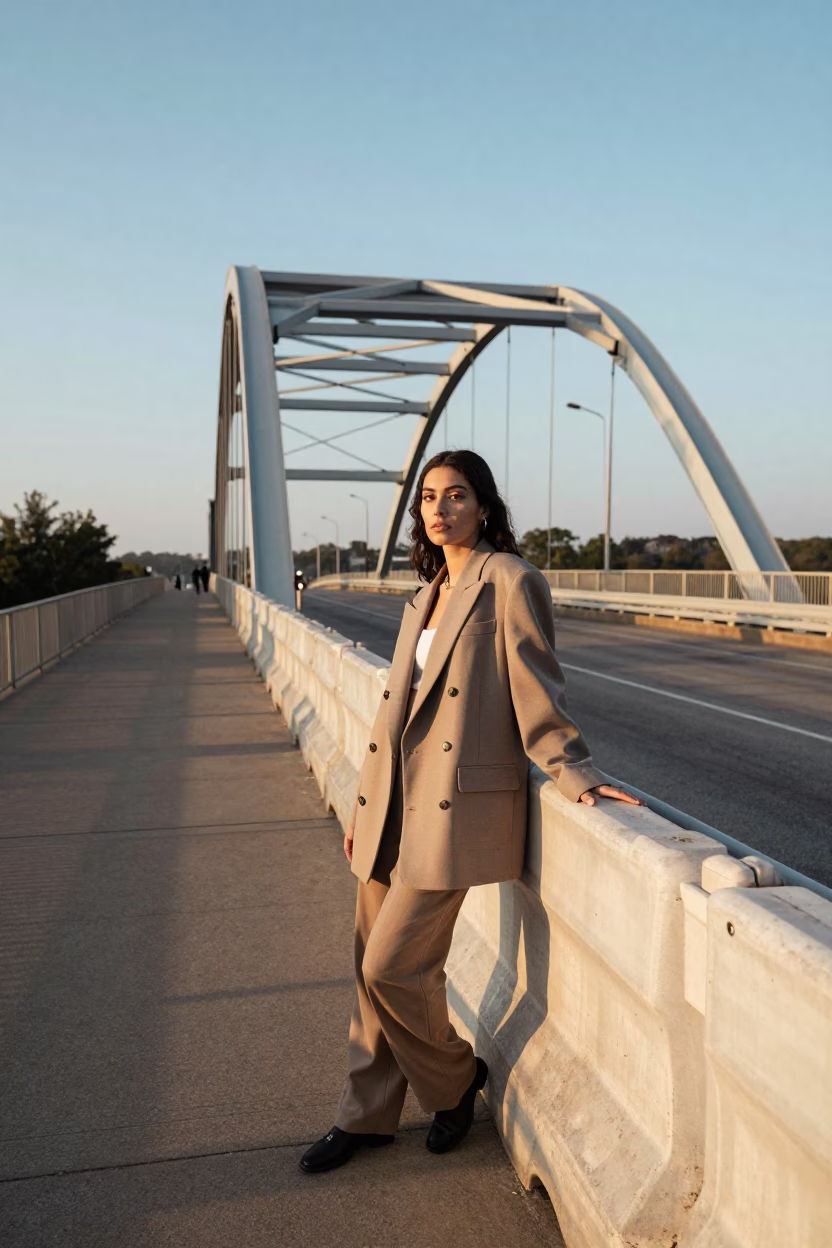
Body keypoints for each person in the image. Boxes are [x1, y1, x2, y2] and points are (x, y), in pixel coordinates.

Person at [300, 450, 643, 1176]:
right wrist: (365, 802)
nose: (440, 508)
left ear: (484, 507)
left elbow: (535, 688)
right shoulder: (423, 596)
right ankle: (364, 1117)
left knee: (396, 967)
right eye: (429, 497)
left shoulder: (511, 581)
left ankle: (456, 1084)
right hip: (391, 801)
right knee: (369, 969)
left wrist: (573, 771)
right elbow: (393, 713)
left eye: (457, 495)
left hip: (452, 809)